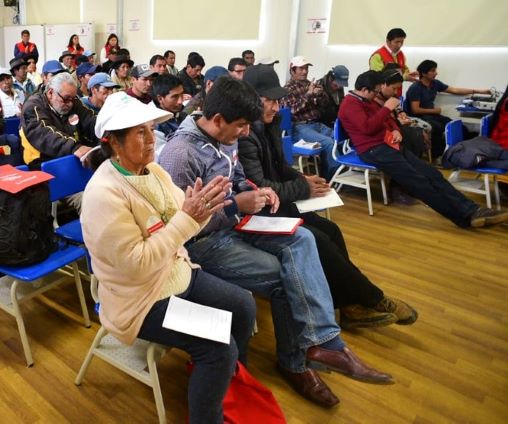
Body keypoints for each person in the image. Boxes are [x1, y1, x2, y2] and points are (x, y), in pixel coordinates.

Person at [159, 76, 393, 407]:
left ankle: (325, 343)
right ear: (218, 119)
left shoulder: (225, 136)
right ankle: (296, 363)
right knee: (287, 277)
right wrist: (235, 206)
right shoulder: (179, 154)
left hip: (237, 223)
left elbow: (237, 177)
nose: (245, 133)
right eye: (241, 126)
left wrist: (254, 191)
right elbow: (181, 228)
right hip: (203, 243)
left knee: (305, 238)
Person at [81, 92, 257, 423]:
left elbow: (184, 223)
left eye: (151, 129)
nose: (152, 139)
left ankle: (229, 384)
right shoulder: (103, 194)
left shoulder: (153, 171)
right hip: (142, 298)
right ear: (114, 142)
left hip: (175, 271)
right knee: (219, 348)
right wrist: (188, 218)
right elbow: (138, 264)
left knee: (243, 305)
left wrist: (204, 208)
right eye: (140, 132)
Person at [239, 69, 418, 328]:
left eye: (278, 101)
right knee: (318, 239)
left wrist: (303, 179)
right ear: (251, 100)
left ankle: (348, 305)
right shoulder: (244, 134)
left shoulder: (269, 124)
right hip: (260, 212)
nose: (277, 108)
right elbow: (261, 187)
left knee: (331, 230)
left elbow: (280, 167)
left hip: (278, 205)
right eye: (270, 101)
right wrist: (304, 188)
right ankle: (373, 298)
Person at [338, 71, 508, 229]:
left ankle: (472, 209)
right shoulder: (350, 104)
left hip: (388, 145)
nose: (377, 94)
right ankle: (464, 217)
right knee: (419, 182)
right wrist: (386, 108)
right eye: (375, 91)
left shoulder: (366, 100)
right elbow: (367, 128)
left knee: (432, 174)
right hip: (373, 150)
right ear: (364, 90)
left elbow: (388, 121)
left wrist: (395, 129)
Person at [406, 59, 491, 159]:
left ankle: (463, 151)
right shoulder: (415, 88)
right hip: (419, 117)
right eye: (433, 71)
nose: (436, 73)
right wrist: (434, 111)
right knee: (437, 128)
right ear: (424, 73)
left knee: (457, 125)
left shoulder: (435, 83)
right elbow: (415, 110)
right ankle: (437, 156)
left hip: (432, 115)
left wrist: (479, 91)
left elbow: (454, 90)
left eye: (435, 70)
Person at [20, 72, 98, 168]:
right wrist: (74, 147)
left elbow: (90, 119)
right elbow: (45, 134)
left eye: (72, 99)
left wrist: (107, 133)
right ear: (50, 93)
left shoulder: (73, 100)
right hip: (42, 162)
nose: (70, 104)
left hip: (70, 155)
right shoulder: (33, 106)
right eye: (66, 99)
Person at [279, 56, 339, 180]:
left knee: (338, 138)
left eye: (306, 68)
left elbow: (324, 105)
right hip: (299, 127)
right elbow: (291, 111)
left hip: (315, 123)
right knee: (328, 143)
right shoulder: (287, 89)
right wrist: (308, 95)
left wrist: (320, 94)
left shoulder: (309, 84)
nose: (305, 71)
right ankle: (332, 179)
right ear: (292, 70)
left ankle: (330, 174)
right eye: (301, 69)